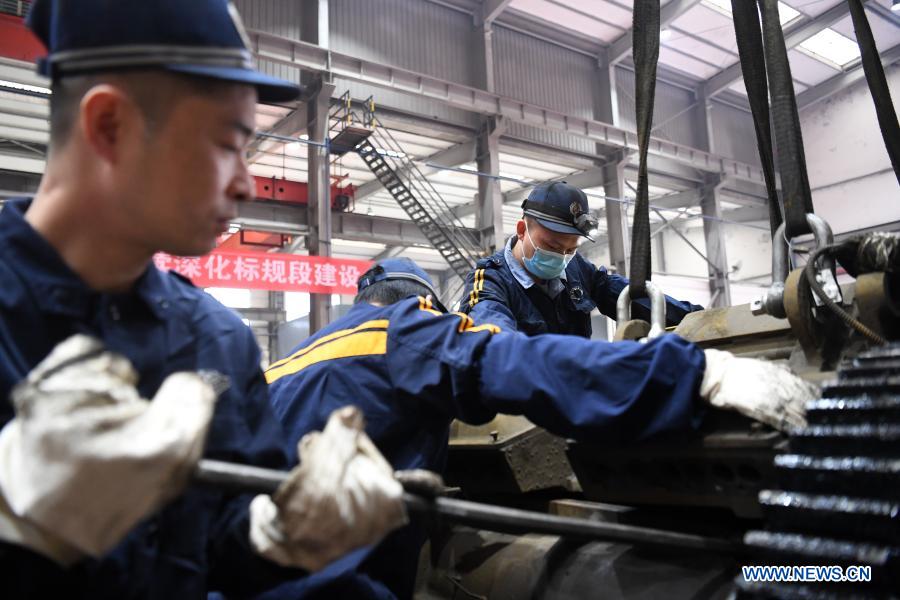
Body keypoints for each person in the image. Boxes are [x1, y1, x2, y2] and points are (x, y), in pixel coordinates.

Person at [0, 1, 405, 597]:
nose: (245, 182)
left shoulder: (218, 341)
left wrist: (273, 540)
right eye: (226, 143)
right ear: (109, 125)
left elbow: (220, 551)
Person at [264, 257, 815, 599]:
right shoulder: (401, 332)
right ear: (426, 306)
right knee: (831, 576)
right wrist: (692, 373)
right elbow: (514, 365)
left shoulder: (282, 366)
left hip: (247, 580)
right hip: (336, 584)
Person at [460, 181, 703, 337]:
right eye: (552, 246)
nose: (560, 257)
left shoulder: (575, 269)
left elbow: (624, 294)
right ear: (522, 230)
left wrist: (698, 319)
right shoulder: (489, 281)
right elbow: (496, 343)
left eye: (570, 249)